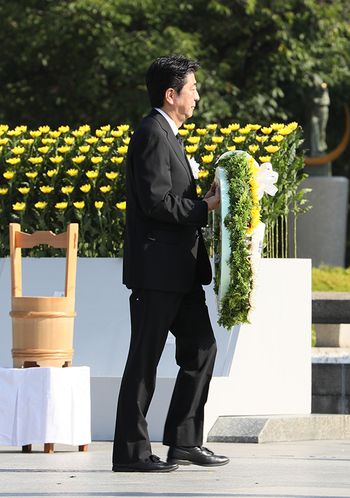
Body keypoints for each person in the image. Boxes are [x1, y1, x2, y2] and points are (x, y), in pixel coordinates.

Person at [112, 55, 229, 473]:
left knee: (201, 350)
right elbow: (157, 203)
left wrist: (207, 197)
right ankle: (131, 453)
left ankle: (183, 442)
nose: (197, 95)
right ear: (171, 94)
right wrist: (205, 207)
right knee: (144, 361)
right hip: (157, 272)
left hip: (179, 272)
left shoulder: (169, 134)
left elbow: (172, 195)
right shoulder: (152, 134)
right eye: (192, 88)